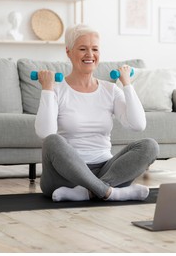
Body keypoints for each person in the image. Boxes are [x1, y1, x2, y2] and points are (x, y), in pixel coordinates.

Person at [35, 24, 159, 202]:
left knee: (150, 146)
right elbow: (45, 133)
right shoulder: (57, 90)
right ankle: (110, 193)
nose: (90, 55)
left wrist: (127, 84)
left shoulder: (110, 90)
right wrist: (47, 89)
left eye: (95, 49)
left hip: (105, 170)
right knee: (52, 141)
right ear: (68, 52)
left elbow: (138, 125)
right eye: (83, 49)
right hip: (64, 177)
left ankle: (89, 192)